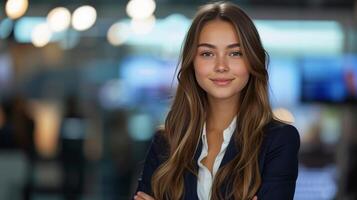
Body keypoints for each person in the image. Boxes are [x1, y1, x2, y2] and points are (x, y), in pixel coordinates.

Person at [133, 1, 300, 200]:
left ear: (252, 61)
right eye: (207, 53)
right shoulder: (166, 142)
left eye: (235, 53)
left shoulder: (279, 140)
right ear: (192, 62)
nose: (221, 66)